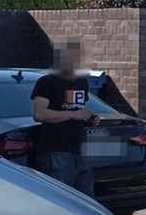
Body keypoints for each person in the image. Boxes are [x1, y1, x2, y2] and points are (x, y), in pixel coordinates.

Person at [30, 38, 97, 196]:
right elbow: (39, 113)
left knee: (86, 200)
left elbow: (78, 110)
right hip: (55, 151)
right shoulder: (47, 82)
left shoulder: (82, 83)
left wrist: (89, 118)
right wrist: (73, 114)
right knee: (60, 199)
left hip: (79, 152)